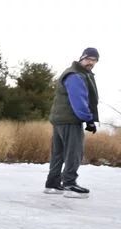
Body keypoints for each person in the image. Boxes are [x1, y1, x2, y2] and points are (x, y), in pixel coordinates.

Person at [44, 47, 99, 198]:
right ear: (81, 58)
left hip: (60, 120)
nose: (91, 63)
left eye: (94, 61)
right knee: (74, 152)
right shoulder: (75, 75)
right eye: (89, 59)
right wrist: (89, 119)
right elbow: (79, 100)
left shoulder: (74, 73)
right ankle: (69, 183)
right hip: (70, 120)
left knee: (59, 153)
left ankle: (52, 183)